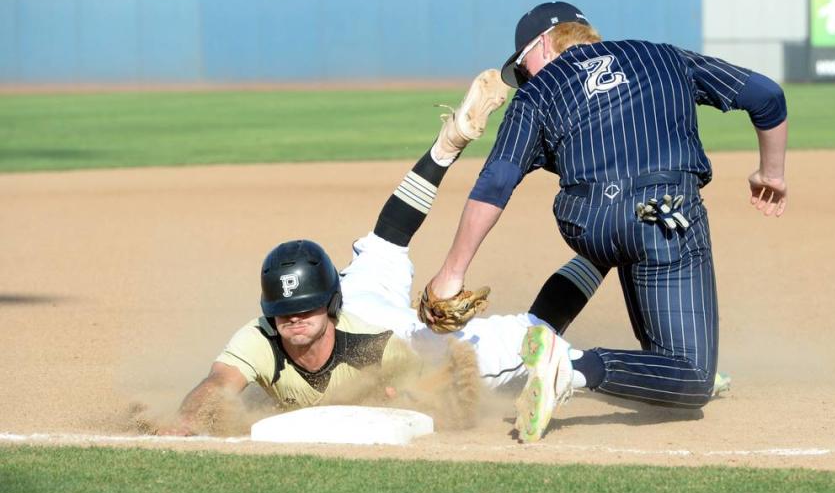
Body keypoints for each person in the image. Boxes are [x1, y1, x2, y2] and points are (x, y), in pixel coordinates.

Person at [161, 70, 598, 436]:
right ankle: (446, 146)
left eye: (304, 310)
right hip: (355, 292)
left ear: (327, 308)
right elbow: (218, 381)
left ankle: (599, 254)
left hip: (395, 330)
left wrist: (409, 394)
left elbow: (433, 398)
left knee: (529, 341)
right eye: (284, 311)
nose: (292, 318)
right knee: (386, 241)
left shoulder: (385, 346)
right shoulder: (261, 337)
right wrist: (186, 419)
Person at [425, 1, 787, 442]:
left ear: (542, 45)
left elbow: (496, 181)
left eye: (522, 68)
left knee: (618, 245)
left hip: (589, 225)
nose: (524, 79)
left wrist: (452, 273)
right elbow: (767, 96)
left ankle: (651, 366)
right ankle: (574, 368)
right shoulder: (663, 56)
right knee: (693, 375)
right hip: (664, 214)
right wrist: (771, 174)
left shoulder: (537, 93)